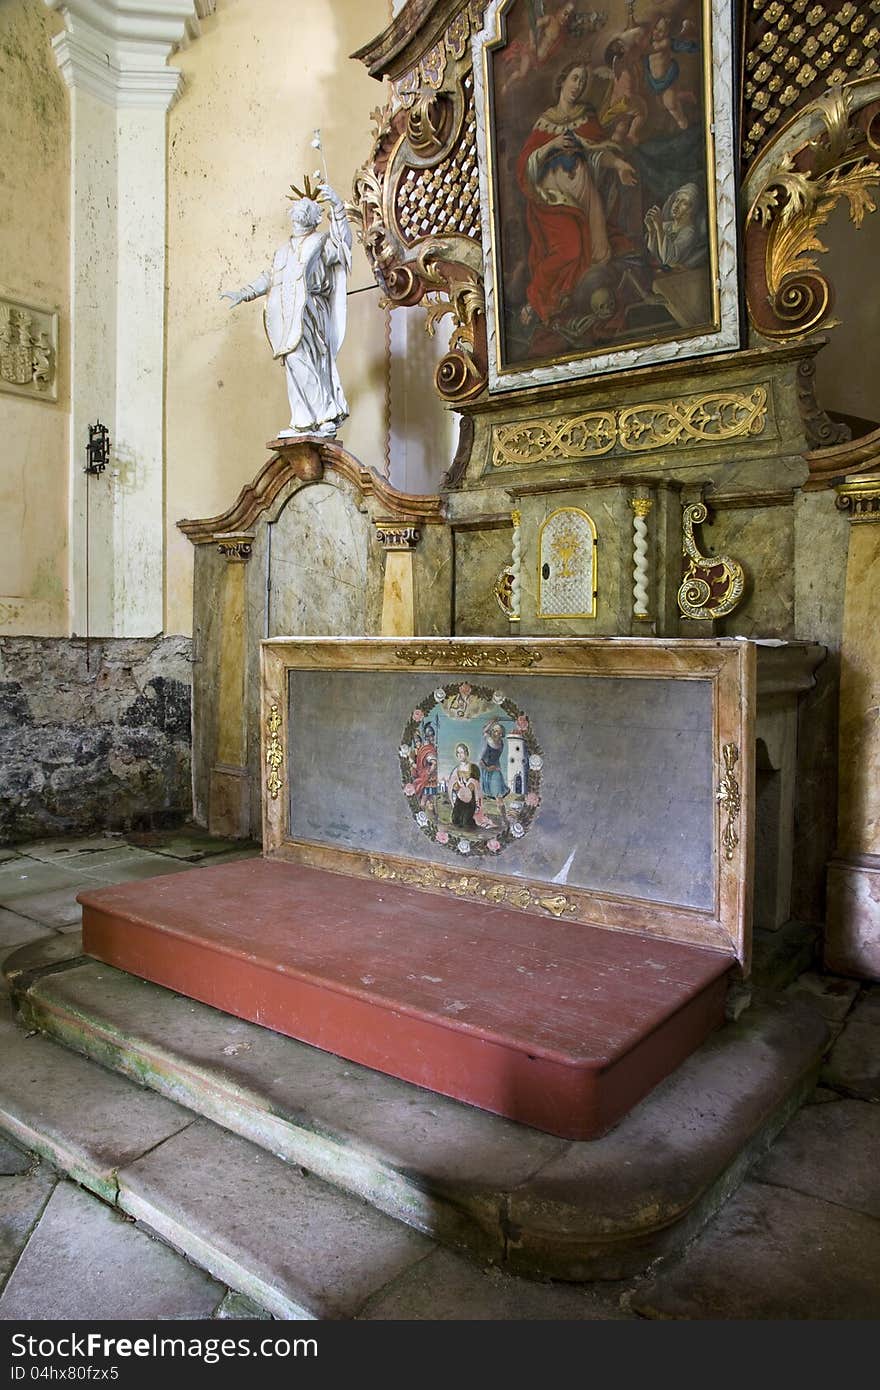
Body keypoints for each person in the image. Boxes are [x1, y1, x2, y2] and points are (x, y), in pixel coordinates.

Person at [221, 182, 352, 439]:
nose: (300, 215)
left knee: (310, 362)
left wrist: (337, 208)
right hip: (288, 315)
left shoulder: (321, 241)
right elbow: (269, 279)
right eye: (298, 211)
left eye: (306, 211)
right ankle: (304, 420)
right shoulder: (282, 252)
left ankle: (325, 415)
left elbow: (342, 246)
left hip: (312, 313)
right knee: (293, 362)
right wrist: (243, 293)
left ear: (314, 218)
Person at [516, 60, 638, 327]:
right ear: (562, 81)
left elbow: (596, 153)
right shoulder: (545, 123)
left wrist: (618, 165)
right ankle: (537, 299)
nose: (578, 85)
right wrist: (552, 145)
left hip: (584, 194)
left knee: (598, 253)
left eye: (582, 81)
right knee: (569, 250)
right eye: (574, 78)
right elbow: (527, 165)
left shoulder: (586, 117)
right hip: (552, 200)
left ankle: (574, 305)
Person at [644, 183, 706, 268]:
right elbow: (653, 255)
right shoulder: (666, 226)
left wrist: (658, 227)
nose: (676, 206)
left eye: (684, 203)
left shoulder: (689, 232)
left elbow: (668, 260)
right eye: (677, 200)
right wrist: (652, 231)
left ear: (692, 210)